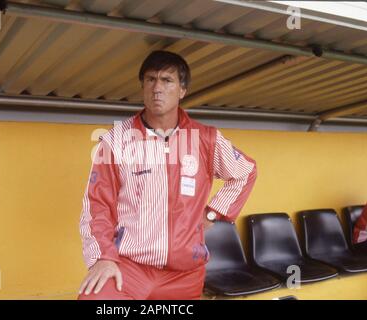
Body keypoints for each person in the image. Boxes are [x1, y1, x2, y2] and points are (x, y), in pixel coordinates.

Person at [78, 50, 257, 300]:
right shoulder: (116, 141)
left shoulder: (205, 139)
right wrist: (103, 257)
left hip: (185, 273)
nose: (157, 88)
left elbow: (245, 171)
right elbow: (97, 206)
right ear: (143, 87)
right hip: (130, 267)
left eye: (167, 80)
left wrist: (213, 213)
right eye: (150, 80)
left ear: (182, 90)